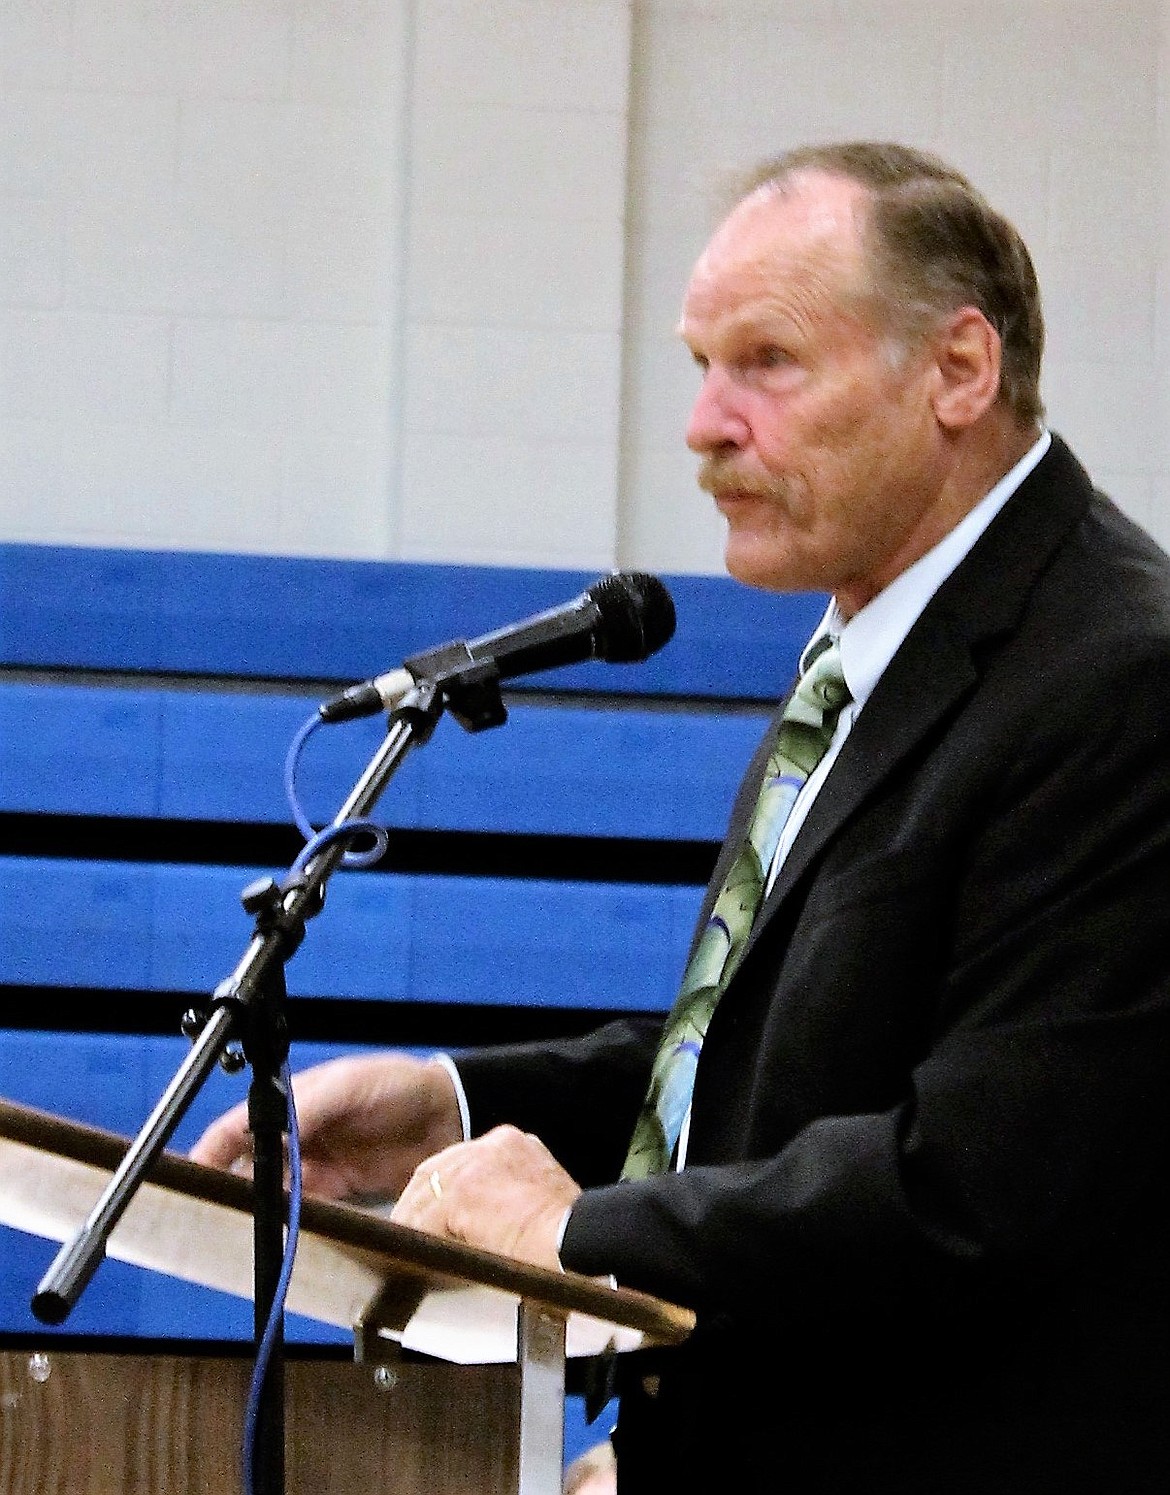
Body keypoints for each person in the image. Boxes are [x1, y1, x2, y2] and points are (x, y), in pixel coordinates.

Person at [193, 142, 1170, 1492]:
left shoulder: (1119, 672)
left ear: (957, 370)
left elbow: (977, 1188)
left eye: (766, 361)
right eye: (699, 364)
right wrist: (459, 1103)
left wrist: (579, 1233)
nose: (706, 424)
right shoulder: (876, 641)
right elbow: (798, 1059)